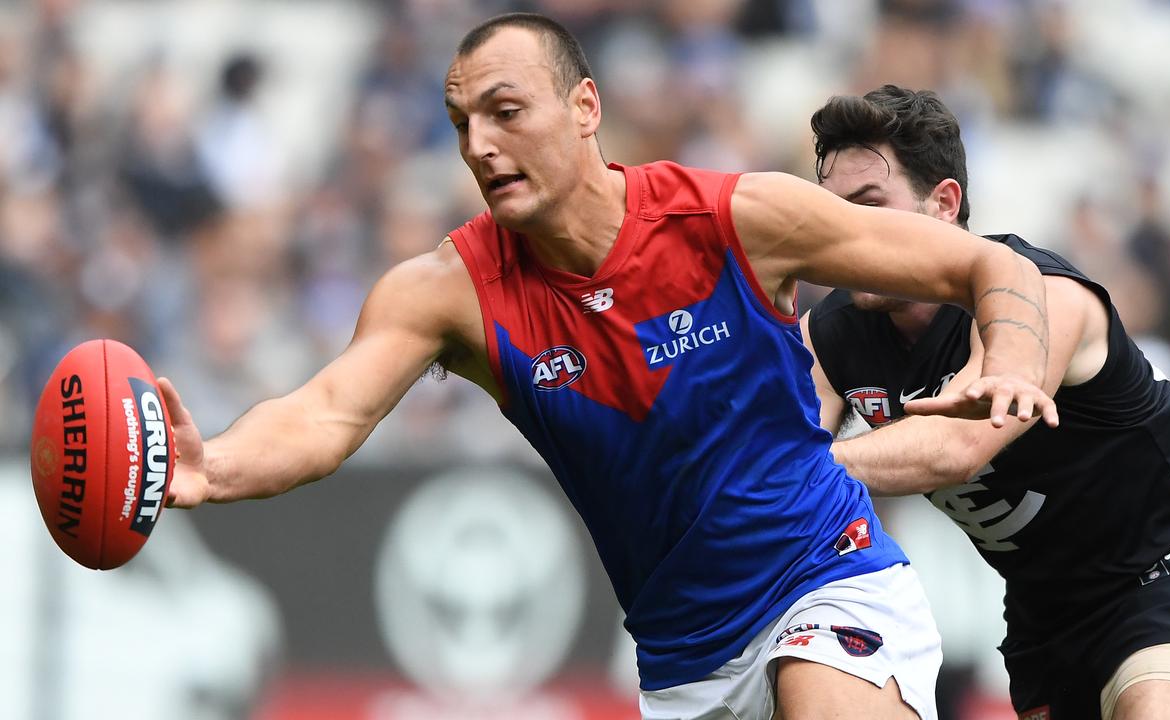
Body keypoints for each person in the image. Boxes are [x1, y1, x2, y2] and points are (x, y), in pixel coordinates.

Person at [157, 15, 1059, 720]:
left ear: (585, 108)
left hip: (827, 579)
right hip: (680, 662)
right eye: (460, 123)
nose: (478, 144)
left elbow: (986, 264)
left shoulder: (731, 219)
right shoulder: (446, 291)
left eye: (506, 112)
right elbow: (324, 414)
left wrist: (1013, 355)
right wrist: (213, 466)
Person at [801, 85, 1170, 720]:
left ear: (944, 203)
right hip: (1043, 618)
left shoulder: (1040, 298)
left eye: (869, 204)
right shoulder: (832, 334)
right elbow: (776, 441)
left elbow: (959, 447)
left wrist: (789, 471)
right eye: (832, 213)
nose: (845, 234)